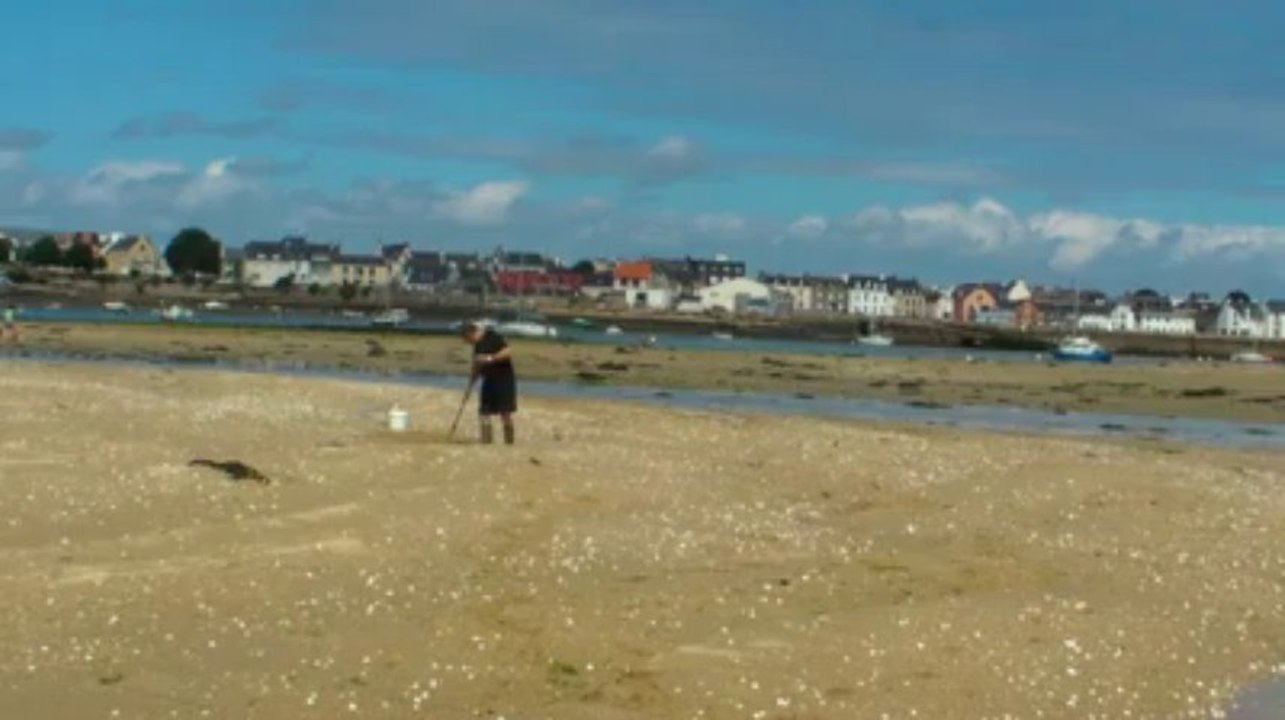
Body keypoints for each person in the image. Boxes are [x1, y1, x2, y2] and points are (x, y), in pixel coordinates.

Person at [460, 322, 517, 445]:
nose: (468, 342)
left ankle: (509, 442)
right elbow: (477, 365)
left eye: (467, 339)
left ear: (471, 333)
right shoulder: (477, 346)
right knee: (484, 411)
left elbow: (508, 352)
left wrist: (490, 358)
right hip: (489, 379)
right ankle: (486, 440)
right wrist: (471, 382)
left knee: (505, 411)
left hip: (504, 378)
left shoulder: (492, 336)